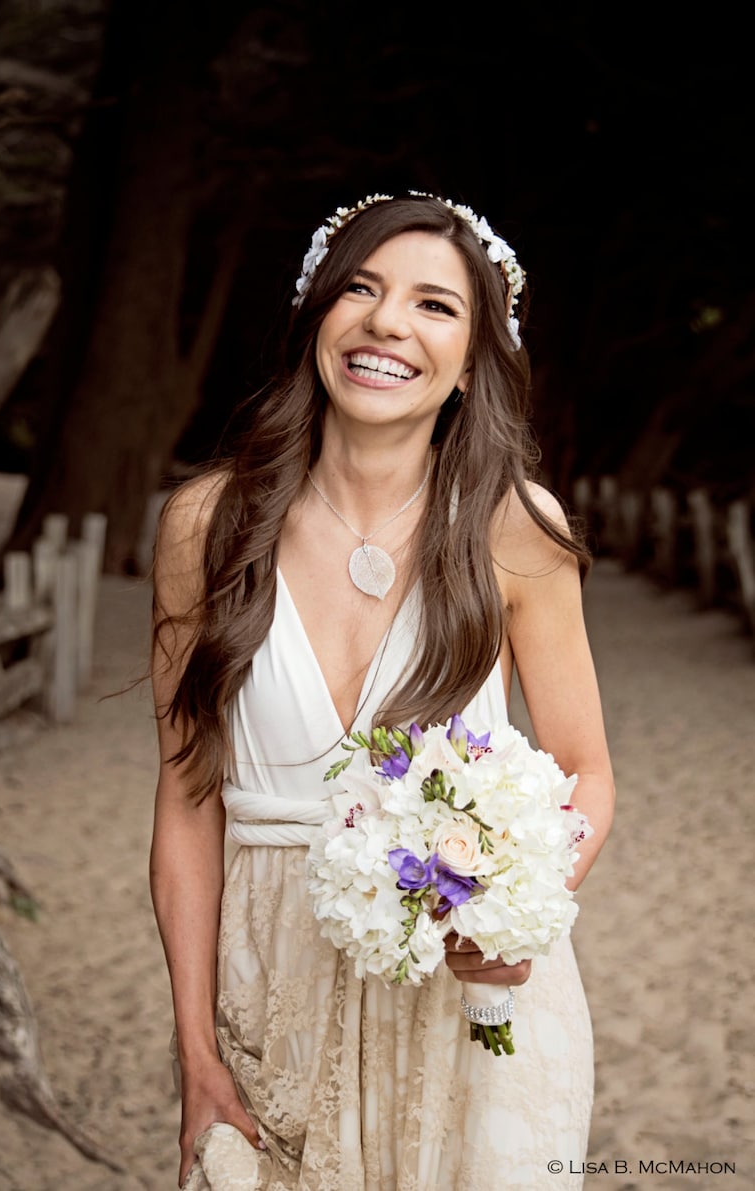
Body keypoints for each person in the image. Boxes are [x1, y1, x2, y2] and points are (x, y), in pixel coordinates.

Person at [149, 190, 615, 1190]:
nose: (386, 323)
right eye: (358, 288)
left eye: (433, 305)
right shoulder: (205, 524)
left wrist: (514, 914)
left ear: (473, 358)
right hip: (269, 984)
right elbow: (186, 805)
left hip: (463, 1005)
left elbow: (583, 771)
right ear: (316, 316)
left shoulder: (512, 526)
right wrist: (194, 1058)